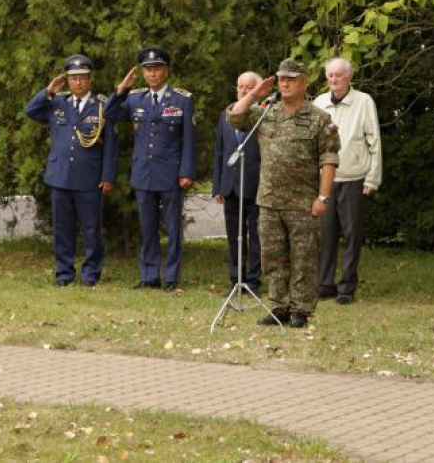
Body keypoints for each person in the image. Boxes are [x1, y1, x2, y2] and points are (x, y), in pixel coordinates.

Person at [227, 58, 340, 328]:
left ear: (304, 83)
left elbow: (329, 160)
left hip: (303, 202)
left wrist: (323, 197)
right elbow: (235, 116)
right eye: (281, 79)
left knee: (304, 258)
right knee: (272, 257)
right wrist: (255, 94)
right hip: (269, 201)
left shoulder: (319, 119)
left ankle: (301, 309)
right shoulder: (266, 113)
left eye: (291, 79)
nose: (285, 83)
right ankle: (279, 306)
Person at [107, 47, 196, 291]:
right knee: (147, 228)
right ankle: (149, 276)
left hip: (171, 173)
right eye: (148, 70)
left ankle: (171, 277)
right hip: (143, 172)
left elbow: (189, 139)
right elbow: (110, 114)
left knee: (173, 229)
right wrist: (121, 90)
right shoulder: (135, 98)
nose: (152, 74)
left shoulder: (182, 99)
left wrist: (187, 171)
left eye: (157, 69)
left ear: (166, 70)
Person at [25, 54, 118, 287]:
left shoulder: (102, 106)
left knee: (91, 228)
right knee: (62, 228)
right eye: (73, 78)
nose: (78, 82)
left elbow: (111, 145)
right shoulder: (57, 102)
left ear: (90, 80)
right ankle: (64, 273)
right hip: (60, 175)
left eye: (83, 78)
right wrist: (48, 91)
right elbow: (31, 111)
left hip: (89, 177)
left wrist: (108, 176)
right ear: (67, 80)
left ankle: (91, 274)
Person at [312, 57, 382, 305]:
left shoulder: (364, 101)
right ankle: (325, 283)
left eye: (339, 75)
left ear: (349, 76)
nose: (334, 79)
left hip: (354, 178)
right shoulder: (319, 103)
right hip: (325, 180)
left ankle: (347, 287)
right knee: (325, 234)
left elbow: (374, 141)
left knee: (352, 235)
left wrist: (373, 178)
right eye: (330, 75)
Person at [212, 71, 263, 293]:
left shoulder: (264, 114)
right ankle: (236, 279)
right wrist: (218, 186)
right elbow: (219, 151)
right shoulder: (226, 115)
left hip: (256, 185)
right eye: (240, 86)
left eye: (249, 87)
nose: (243, 90)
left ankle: (253, 280)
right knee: (235, 236)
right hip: (231, 186)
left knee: (256, 237)